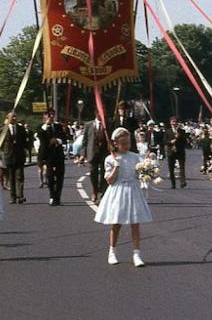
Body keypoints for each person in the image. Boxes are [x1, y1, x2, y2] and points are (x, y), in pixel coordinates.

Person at [95, 128, 151, 267]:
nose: (127, 146)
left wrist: (146, 172)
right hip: (118, 192)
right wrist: (116, 166)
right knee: (116, 223)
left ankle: (137, 254)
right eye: (123, 143)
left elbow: (138, 174)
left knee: (135, 223)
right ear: (116, 144)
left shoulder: (135, 157)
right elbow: (110, 181)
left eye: (128, 142)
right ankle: (112, 252)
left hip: (133, 191)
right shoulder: (110, 159)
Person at [0, 112, 29, 204]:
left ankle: (20, 196)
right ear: (7, 118)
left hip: (19, 156)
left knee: (19, 176)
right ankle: (13, 197)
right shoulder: (3, 129)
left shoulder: (21, 128)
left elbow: (25, 141)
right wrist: (5, 152)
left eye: (15, 117)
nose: (14, 118)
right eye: (12, 117)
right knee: (11, 177)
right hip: (9, 156)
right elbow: (1, 143)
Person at [81, 114, 109, 204]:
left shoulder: (107, 124)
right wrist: (83, 154)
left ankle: (102, 192)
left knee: (104, 173)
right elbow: (84, 140)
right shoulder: (88, 124)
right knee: (93, 172)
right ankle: (95, 190)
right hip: (92, 152)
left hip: (104, 152)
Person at [164, 116, 188, 189]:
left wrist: (179, 138)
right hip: (171, 152)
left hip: (180, 151)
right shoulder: (168, 131)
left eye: (175, 122)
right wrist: (170, 142)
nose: (174, 123)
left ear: (177, 123)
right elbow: (164, 141)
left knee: (182, 168)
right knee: (171, 168)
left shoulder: (182, 131)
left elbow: (185, 142)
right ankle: (173, 184)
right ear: (170, 123)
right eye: (172, 122)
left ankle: (182, 182)